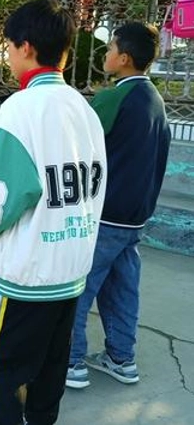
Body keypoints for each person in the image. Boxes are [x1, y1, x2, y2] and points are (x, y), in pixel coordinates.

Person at [0, 0, 107, 425]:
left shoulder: (20, 109)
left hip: (26, 277)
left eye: (8, 47)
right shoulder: (86, 110)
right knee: (49, 374)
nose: (7, 57)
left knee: (2, 374)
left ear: (25, 47)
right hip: (71, 273)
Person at [67, 22, 171, 390]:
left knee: (79, 285)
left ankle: (72, 361)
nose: (105, 54)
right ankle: (121, 358)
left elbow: (77, 150)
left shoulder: (113, 98)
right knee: (123, 289)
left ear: (124, 58)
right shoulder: (156, 101)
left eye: (110, 48)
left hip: (106, 214)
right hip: (135, 217)